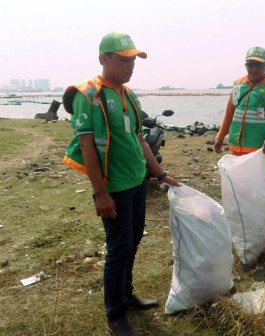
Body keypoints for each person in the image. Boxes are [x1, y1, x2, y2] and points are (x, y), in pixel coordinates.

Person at [62, 31, 179, 336]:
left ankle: (127, 295)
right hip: (112, 186)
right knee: (118, 248)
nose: (131, 66)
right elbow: (87, 145)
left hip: (137, 181)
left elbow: (139, 139)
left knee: (134, 240)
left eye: (134, 60)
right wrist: (99, 192)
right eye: (125, 60)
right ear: (105, 59)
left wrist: (160, 174)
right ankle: (116, 315)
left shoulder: (128, 95)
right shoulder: (88, 95)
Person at [214, 46, 265, 189]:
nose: (254, 69)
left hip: (260, 149)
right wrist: (220, 136)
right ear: (245, 65)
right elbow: (230, 112)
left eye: (258, 65)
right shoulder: (238, 85)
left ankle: (262, 212)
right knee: (238, 185)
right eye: (250, 64)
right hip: (237, 147)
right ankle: (240, 212)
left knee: (260, 187)